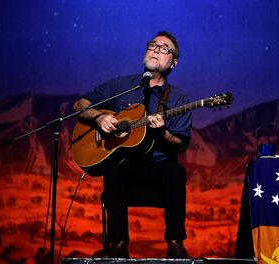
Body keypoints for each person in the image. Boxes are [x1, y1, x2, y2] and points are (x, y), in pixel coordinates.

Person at [73, 31, 192, 258]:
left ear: (173, 63)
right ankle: (118, 245)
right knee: (114, 171)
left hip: (159, 169)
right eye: (153, 45)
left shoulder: (178, 98)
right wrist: (98, 118)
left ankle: (176, 244)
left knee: (175, 172)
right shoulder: (122, 85)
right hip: (124, 166)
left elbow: (180, 144)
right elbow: (80, 104)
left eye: (165, 48)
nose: (156, 49)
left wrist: (163, 133)